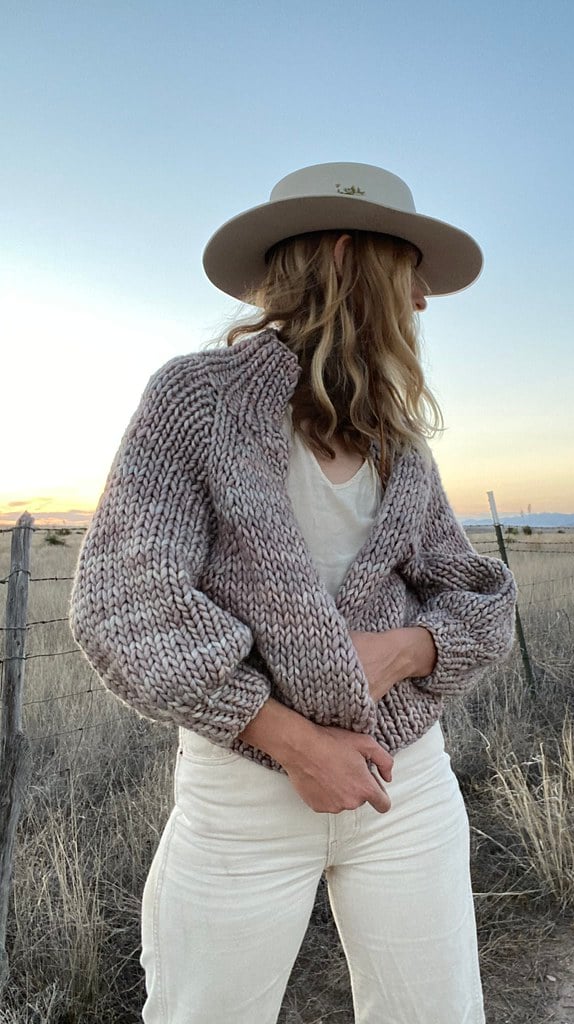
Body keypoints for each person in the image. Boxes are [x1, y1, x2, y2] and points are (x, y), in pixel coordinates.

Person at [70, 161, 517, 1024]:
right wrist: (294, 742)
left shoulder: (397, 439)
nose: (422, 300)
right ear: (348, 256)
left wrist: (406, 650)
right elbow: (125, 603)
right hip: (245, 792)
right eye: (409, 271)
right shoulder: (196, 400)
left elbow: (478, 596)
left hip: (406, 783)